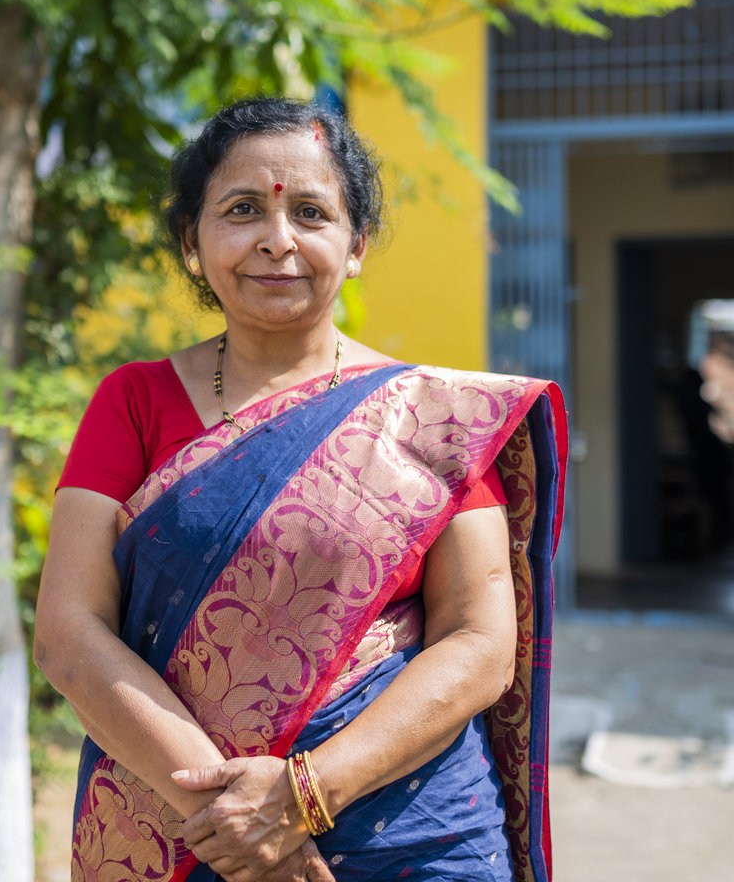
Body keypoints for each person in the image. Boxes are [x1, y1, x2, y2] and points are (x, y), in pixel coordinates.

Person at [34, 97, 566, 882]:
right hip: (190, 837)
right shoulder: (136, 403)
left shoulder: (429, 418)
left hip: (414, 838)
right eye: (241, 209)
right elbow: (70, 632)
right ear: (192, 242)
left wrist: (301, 799)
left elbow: (479, 643)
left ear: (353, 247)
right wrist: (233, 821)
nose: (276, 240)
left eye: (311, 213)